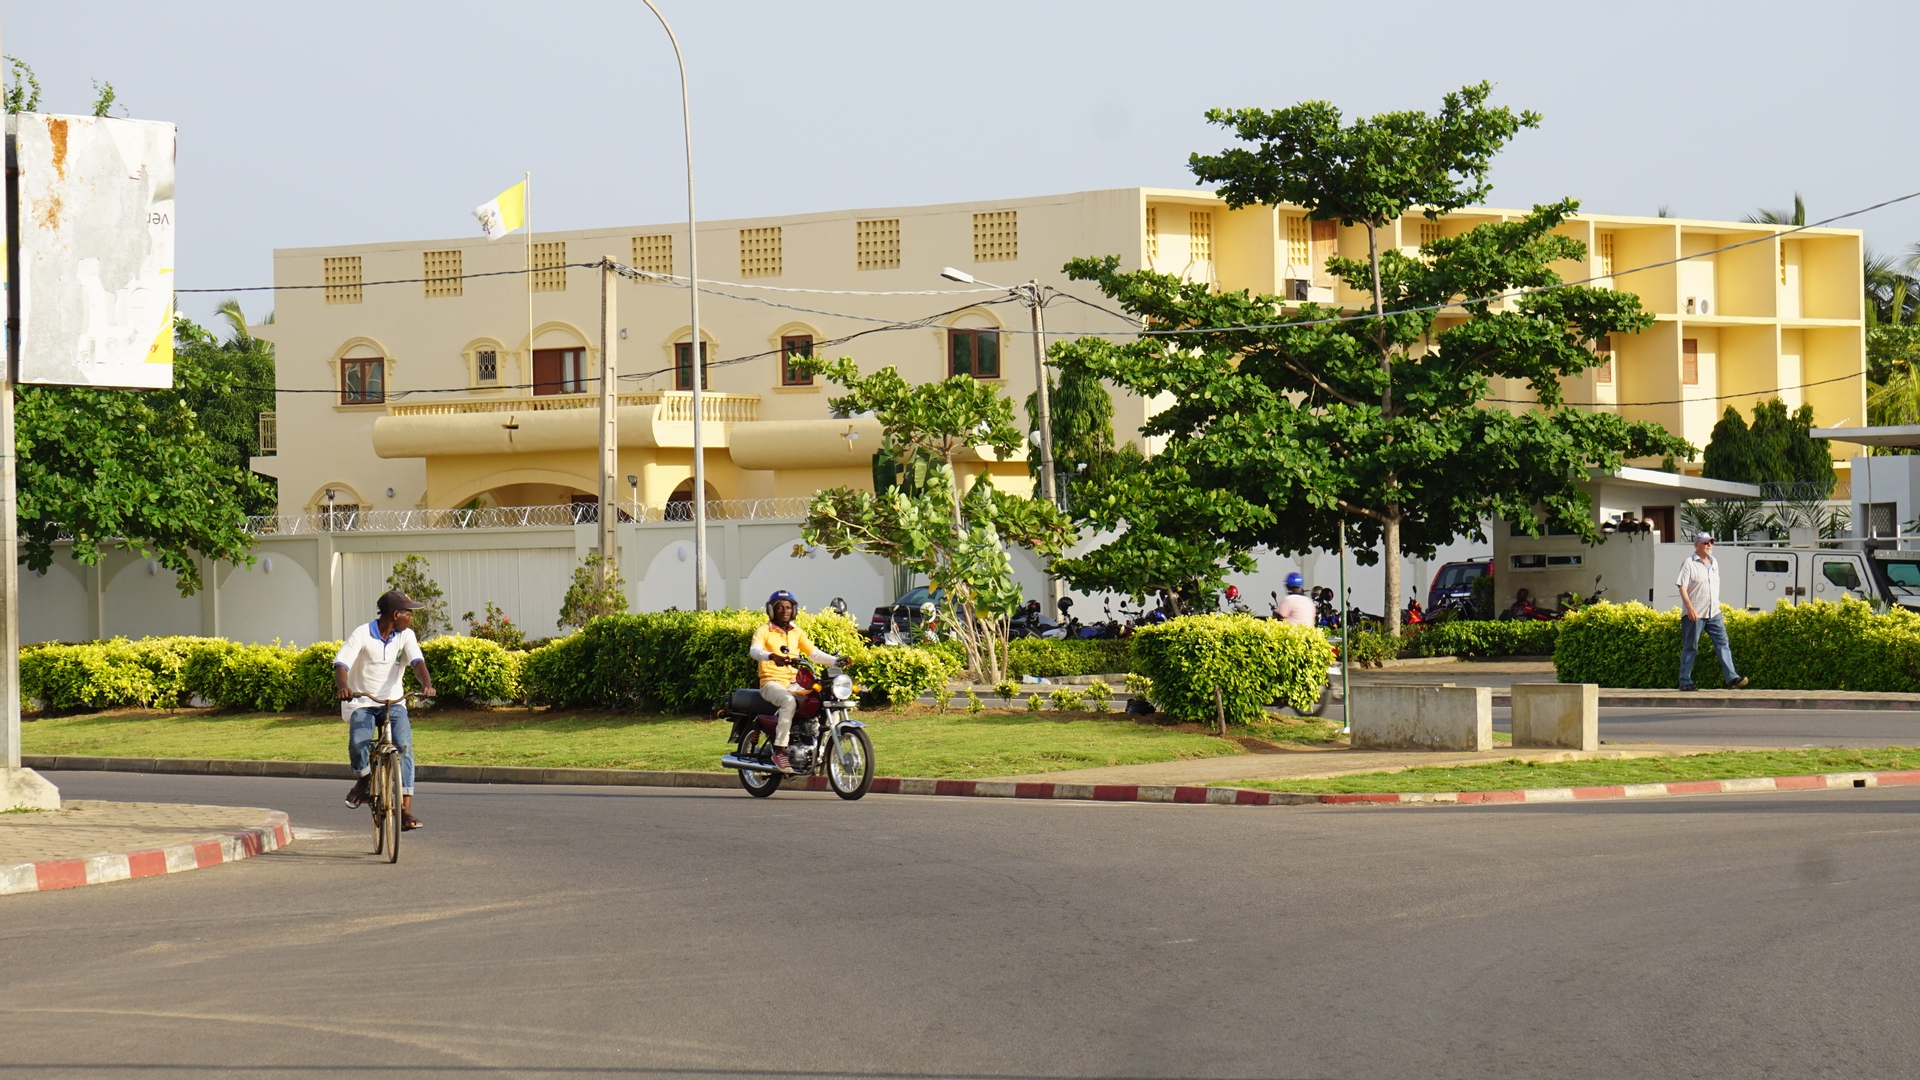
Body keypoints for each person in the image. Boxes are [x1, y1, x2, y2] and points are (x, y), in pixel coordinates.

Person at [338, 590, 437, 830]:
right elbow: (342, 664)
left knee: (404, 747)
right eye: (408, 613)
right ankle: (363, 781)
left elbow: (417, 663)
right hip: (363, 702)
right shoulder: (362, 634)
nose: (411, 617)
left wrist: (426, 684)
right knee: (359, 742)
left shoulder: (406, 636)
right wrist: (344, 687)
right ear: (396, 614)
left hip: (394, 702)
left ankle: (404, 810)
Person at [749, 590, 844, 773]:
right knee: (788, 701)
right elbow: (754, 651)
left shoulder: (796, 632)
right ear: (772, 610)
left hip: (794, 682)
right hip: (771, 682)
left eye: (788, 607)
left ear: (793, 610)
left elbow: (813, 653)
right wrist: (771, 656)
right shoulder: (763, 631)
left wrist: (835, 660)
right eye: (780, 608)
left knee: (828, 701)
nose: (784, 611)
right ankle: (780, 750)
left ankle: (824, 747)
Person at [1677, 532, 1748, 691]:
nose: (1709, 545)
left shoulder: (1714, 562)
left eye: (1711, 542)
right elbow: (1682, 587)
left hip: (1713, 612)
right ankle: (1685, 681)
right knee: (1691, 647)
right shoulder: (1689, 563)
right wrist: (1689, 608)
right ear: (1696, 545)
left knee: (1723, 643)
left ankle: (1732, 678)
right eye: (1705, 543)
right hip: (1695, 613)